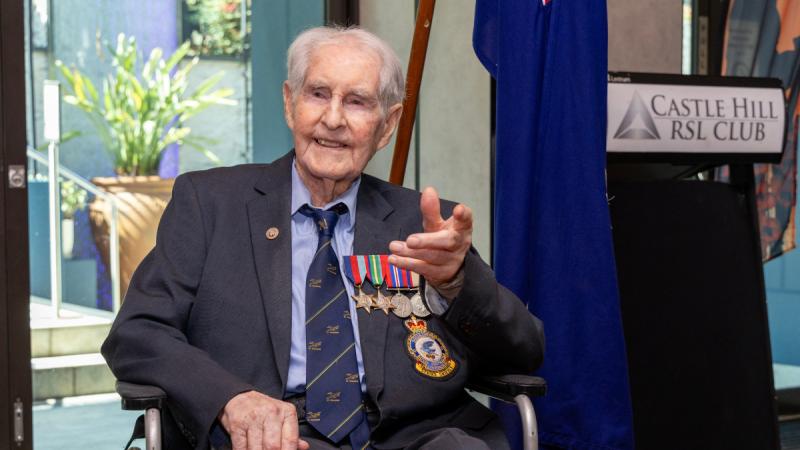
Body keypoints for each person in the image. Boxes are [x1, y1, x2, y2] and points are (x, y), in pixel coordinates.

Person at [102, 26, 544, 450]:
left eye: (356, 102)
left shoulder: (425, 222)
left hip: (421, 437)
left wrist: (458, 283)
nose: (333, 119)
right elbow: (137, 333)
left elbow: (524, 351)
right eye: (318, 94)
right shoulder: (210, 204)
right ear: (290, 103)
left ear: (387, 126)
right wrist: (229, 400)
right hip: (275, 439)